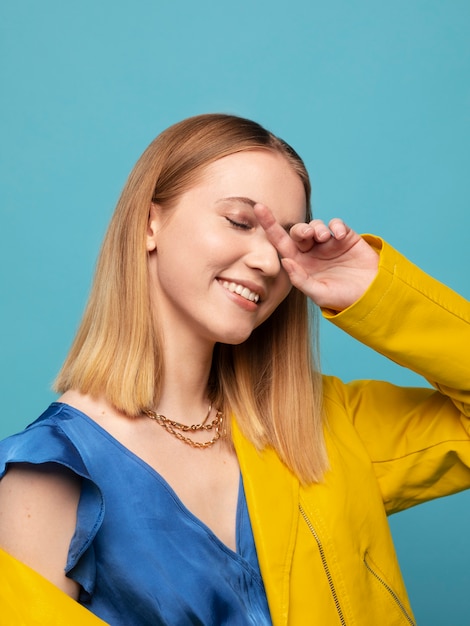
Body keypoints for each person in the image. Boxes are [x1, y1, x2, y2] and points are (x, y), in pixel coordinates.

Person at [0, 113, 469, 626]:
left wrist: (376, 293)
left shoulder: (322, 428)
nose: (269, 261)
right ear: (148, 224)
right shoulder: (49, 475)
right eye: (240, 222)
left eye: (285, 239)